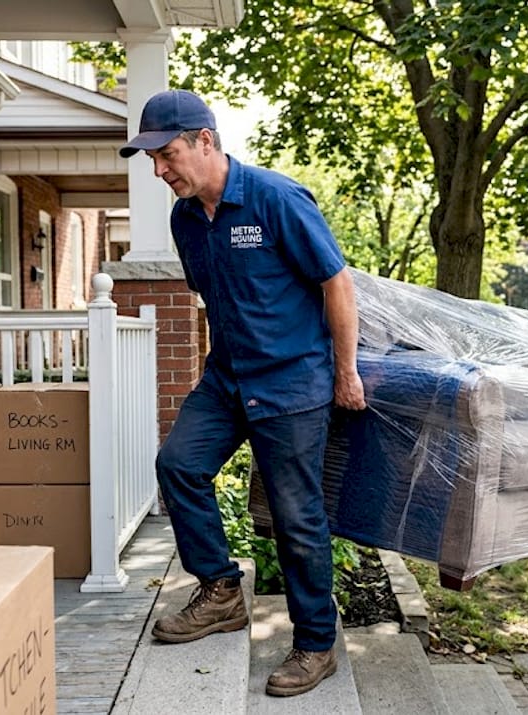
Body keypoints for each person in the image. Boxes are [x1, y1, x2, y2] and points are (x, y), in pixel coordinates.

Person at [118, 89, 367, 698]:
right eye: (152, 159)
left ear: (205, 140)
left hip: (291, 381)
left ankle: (315, 644)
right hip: (228, 378)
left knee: (296, 517)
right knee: (178, 466)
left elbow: (336, 283)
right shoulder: (184, 220)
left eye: (167, 154)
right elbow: (215, 297)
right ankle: (221, 591)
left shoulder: (275, 199)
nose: (158, 170)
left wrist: (346, 372)